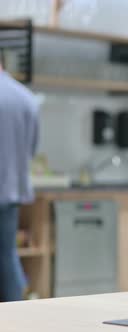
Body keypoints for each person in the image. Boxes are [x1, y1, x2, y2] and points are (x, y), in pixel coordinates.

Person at [0, 55, 40, 301]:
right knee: (6, 255)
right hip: (11, 191)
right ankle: (15, 317)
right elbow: (32, 149)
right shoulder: (26, 98)